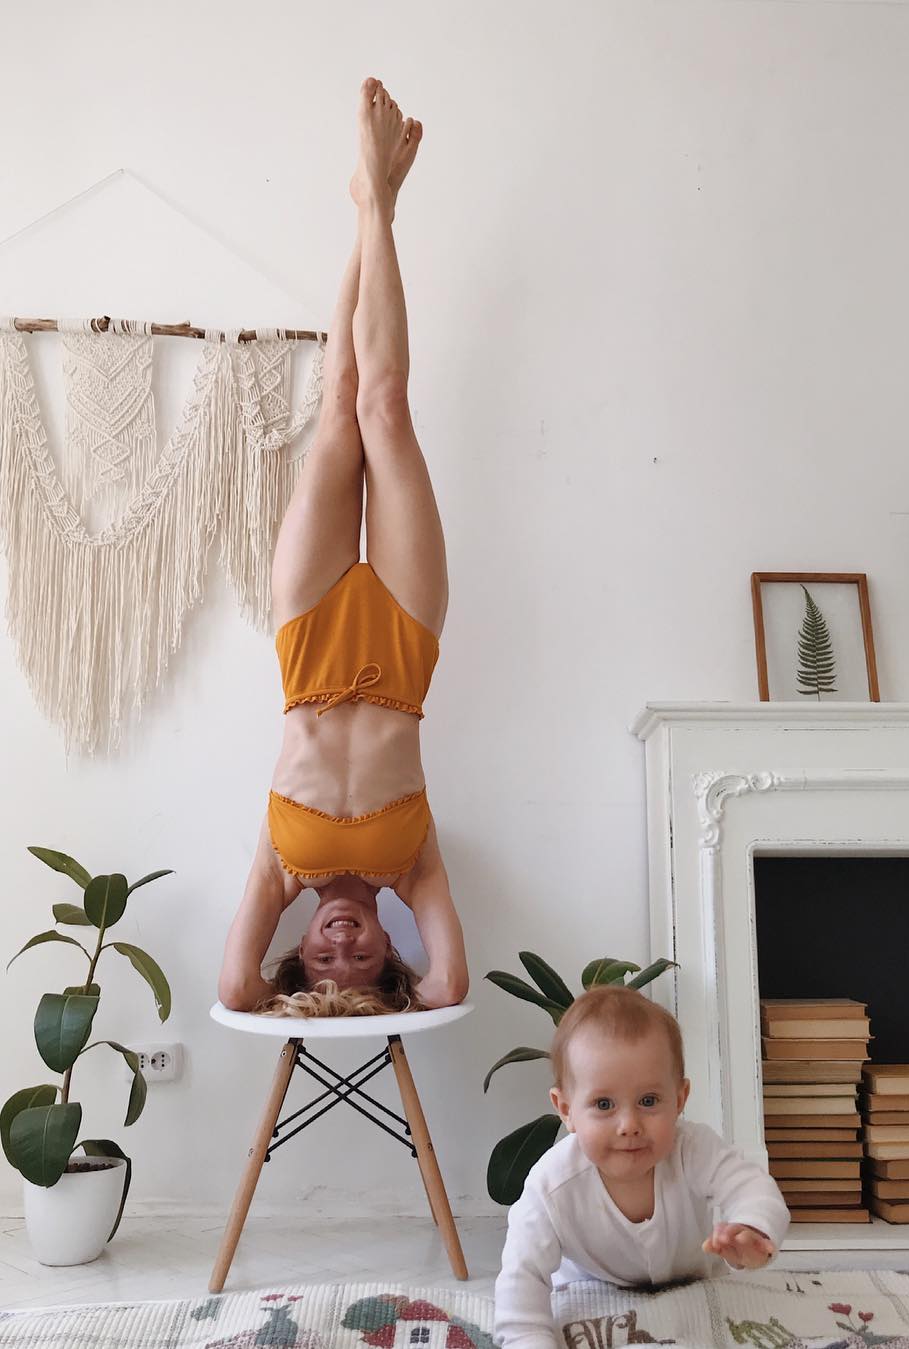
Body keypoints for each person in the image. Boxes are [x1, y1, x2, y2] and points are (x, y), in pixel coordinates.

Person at [218, 79, 468, 1018]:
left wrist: (303, 1010)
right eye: (360, 970)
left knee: (337, 411)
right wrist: (396, 1003)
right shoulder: (415, 866)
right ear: (387, 954)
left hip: (310, 646)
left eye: (318, 967)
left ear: (300, 951)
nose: (338, 952)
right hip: (402, 648)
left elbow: (236, 984)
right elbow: (449, 981)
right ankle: (380, 209)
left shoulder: (282, 870)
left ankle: (369, 203)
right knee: (387, 407)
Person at [494, 986, 789, 1348]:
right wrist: (528, 1339)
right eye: (604, 1104)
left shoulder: (693, 1149)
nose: (629, 1124)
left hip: (697, 1289)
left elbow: (753, 1187)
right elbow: (521, 1275)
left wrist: (752, 1229)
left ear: (679, 1099)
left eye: (648, 1101)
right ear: (566, 1109)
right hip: (592, 1293)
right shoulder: (550, 1185)